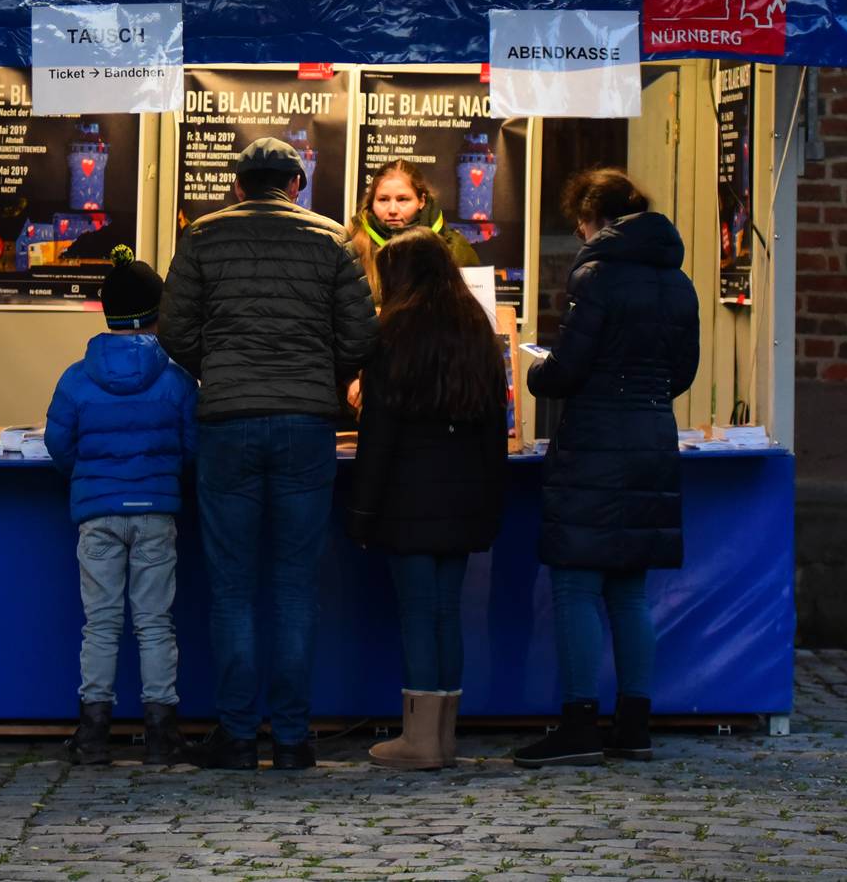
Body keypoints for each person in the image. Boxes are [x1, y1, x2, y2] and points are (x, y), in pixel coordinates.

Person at [159, 137, 379, 770]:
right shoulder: (332, 239)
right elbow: (361, 335)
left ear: (238, 185)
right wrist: (320, 377)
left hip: (227, 423)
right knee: (294, 586)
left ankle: (235, 735)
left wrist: (221, 370)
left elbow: (174, 331)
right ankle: (290, 739)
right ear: (296, 185)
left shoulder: (202, 236)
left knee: (231, 588)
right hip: (306, 426)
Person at [511, 169, 699, 768]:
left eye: (579, 224)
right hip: (651, 435)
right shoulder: (678, 280)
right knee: (629, 589)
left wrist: (534, 371)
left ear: (593, 219)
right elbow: (682, 372)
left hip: (594, 438)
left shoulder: (596, 275)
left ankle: (579, 724)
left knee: (576, 584)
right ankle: (634, 726)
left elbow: (567, 369)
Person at [344, 229, 509, 770]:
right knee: (445, 612)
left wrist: (361, 513)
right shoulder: (477, 331)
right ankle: (444, 736)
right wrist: (490, 503)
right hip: (463, 496)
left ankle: (419, 740)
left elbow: (379, 435)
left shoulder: (393, 334)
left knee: (417, 613)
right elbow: (495, 429)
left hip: (406, 494)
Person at [43, 246, 199, 768]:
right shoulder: (178, 380)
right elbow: (193, 447)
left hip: (98, 514)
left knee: (102, 624)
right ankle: (161, 734)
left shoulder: (76, 378)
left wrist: (90, 479)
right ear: (158, 314)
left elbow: (59, 445)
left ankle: (92, 734)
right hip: (155, 511)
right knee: (154, 623)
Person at [348, 159, 479, 300]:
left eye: (403, 199)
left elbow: (473, 308)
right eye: (383, 199)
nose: (392, 210)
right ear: (372, 202)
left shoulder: (454, 248)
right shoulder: (353, 245)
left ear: (421, 201)